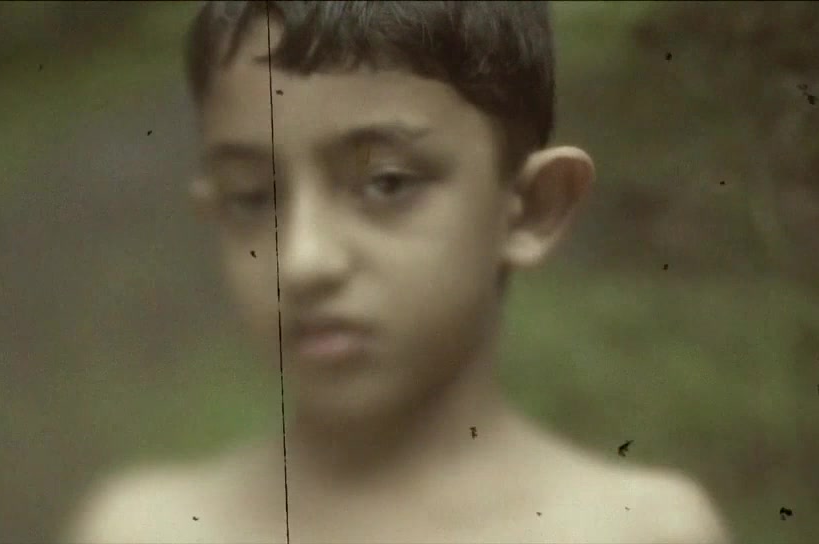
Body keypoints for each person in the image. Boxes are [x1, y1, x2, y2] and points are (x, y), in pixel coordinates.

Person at [65, 2, 731, 542]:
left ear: (533, 207)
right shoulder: (144, 530)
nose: (304, 261)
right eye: (251, 197)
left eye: (387, 183)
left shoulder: (641, 531)